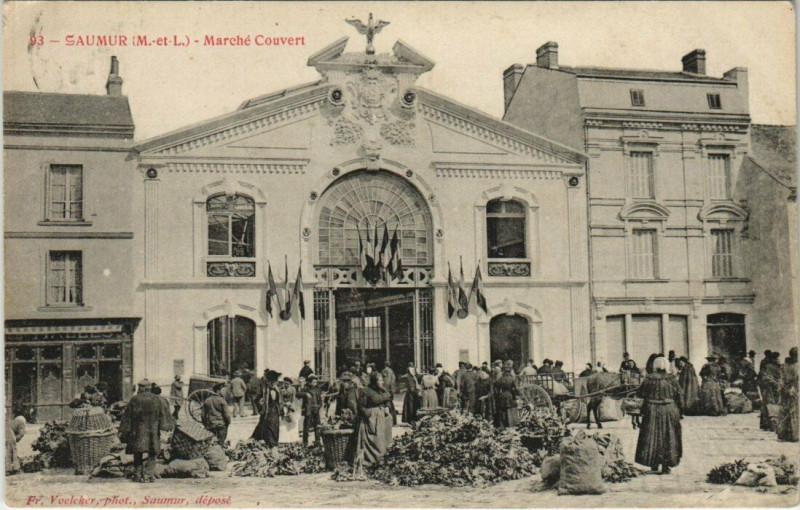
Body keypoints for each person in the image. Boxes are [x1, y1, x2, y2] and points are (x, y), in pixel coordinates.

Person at [635, 357, 683, 475]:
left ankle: (653, 463)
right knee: (669, 436)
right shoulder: (672, 379)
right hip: (669, 409)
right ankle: (667, 465)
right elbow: (680, 396)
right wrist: (680, 410)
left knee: (651, 435)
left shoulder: (649, 378)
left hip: (652, 410)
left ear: (655, 365)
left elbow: (639, 394)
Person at [119, 379, 170, 483]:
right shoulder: (157, 399)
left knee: (137, 452)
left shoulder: (135, 399)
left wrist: (124, 430)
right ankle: (148, 474)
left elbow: (127, 416)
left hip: (137, 431)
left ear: (141, 388)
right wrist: (165, 427)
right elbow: (162, 415)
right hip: (153, 430)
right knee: (153, 452)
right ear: (149, 388)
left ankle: (137, 475)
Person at [352, 372, 393, 468]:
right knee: (376, 439)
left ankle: (383, 457)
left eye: (382, 380)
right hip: (372, 419)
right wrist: (369, 414)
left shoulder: (383, 390)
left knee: (385, 438)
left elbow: (387, 400)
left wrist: (387, 406)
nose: (381, 382)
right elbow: (361, 406)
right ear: (374, 381)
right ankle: (373, 459)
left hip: (382, 417)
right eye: (379, 380)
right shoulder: (366, 391)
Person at [252, 370, 282, 446]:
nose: (275, 383)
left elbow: (280, 402)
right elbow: (256, 400)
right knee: (268, 429)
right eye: (273, 381)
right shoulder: (264, 390)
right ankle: (270, 445)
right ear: (269, 381)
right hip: (267, 412)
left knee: (275, 428)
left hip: (275, 411)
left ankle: (274, 444)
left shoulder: (278, 390)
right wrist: (261, 406)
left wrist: (281, 411)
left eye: (275, 381)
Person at [777, 347, 798, 442]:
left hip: (784, 389)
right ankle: (793, 435)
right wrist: (793, 389)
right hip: (792, 390)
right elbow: (796, 379)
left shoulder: (783, 365)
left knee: (784, 412)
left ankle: (783, 435)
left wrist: (781, 388)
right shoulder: (796, 366)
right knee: (793, 412)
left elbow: (781, 378)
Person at [297, 374, 324, 447]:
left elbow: (320, 401)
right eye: (313, 382)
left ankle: (317, 441)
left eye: (315, 382)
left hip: (316, 409)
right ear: (309, 382)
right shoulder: (306, 389)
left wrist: (318, 407)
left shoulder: (318, 389)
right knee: (306, 426)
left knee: (317, 426)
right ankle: (305, 442)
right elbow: (298, 394)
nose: (315, 383)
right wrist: (305, 394)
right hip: (308, 410)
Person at [759, 352, 782, 430]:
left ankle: (765, 425)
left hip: (767, 389)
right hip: (773, 389)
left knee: (766, 406)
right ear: (774, 359)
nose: (778, 360)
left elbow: (762, 377)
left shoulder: (766, 366)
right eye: (777, 358)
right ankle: (773, 425)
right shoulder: (776, 368)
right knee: (773, 406)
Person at [493, 361, 521, 428]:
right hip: (509, 395)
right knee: (510, 411)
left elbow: (496, 386)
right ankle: (510, 425)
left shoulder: (501, 379)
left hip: (502, 395)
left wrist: (498, 395)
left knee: (502, 412)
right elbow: (515, 389)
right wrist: (518, 395)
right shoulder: (512, 379)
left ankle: (502, 425)